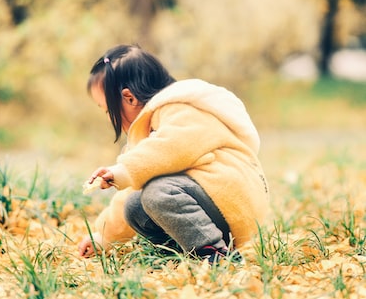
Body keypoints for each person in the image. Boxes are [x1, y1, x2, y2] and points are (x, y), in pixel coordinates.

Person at [78, 44, 270, 264]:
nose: (109, 116)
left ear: (129, 98)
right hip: (207, 203)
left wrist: (123, 170)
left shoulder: (181, 109)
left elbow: (170, 147)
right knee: (134, 207)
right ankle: (185, 250)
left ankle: (214, 254)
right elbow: (134, 184)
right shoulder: (149, 131)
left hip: (232, 197)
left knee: (158, 193)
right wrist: (104, 237)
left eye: (107, 109)